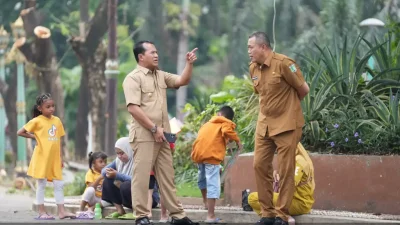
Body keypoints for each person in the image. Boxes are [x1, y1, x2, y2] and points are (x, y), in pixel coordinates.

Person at [122, 40, 199, 225]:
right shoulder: (133, 78)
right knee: (141, 177)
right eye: (152, 52)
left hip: (162, 135)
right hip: (144, 136)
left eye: (157, 52)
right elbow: (133, 108)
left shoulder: (161, 75)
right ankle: (141, 216)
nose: (156, 55)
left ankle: (177, 216)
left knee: (167, 176)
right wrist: (154, 128)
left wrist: (189, 64)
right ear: (141, 57)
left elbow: (182, 80)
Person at [247, 31, 310, 225]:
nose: (248, 51)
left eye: (251, 47)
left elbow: (303, 89)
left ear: (263, 47)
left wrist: (288, 109)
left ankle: (282, 214)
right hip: (264, 125)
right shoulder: (253, 69)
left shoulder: (284, 64)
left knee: (285, 169)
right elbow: (262, 95)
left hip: (287, 125)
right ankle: (267, 214)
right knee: (259, 165)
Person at [17, 93, 76, 220]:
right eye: (48, 107)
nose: (51, 109)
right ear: (40, 108)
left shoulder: (57, 121)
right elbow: (20, 132)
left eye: (53, 106)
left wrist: (61, 158)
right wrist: (33, 136)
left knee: (59, 184)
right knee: (42, 184)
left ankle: (61, 212)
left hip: (54, 159)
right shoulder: (36, 121)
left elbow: (58, 141)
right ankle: (41, 212)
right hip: (41, 158)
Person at [191, 106, 242, 223]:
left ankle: (205, 203)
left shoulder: (207, 124)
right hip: (211, 157)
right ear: (229, 118)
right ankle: (211, 215)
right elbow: (226, 131)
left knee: (202, 179)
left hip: (199, 155)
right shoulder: (226, 123)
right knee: (213, 184)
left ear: (218, 113)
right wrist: (238, 141)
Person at [248, 143, 315, 220]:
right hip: (290, 200)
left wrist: (278, 179)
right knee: (260, 199)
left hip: (298, 203)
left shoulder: (299, 160)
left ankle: (281, 216)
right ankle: (277, 216)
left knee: (252, 198)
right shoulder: (292, 159)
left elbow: (290, 183)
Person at [100, 137, 159, 220]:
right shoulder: (118, 160)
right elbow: (103, 171)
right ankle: (120, 210)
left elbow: (139, 181)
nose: (119, 156)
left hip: (148, 198)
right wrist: (109, 171)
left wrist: (118, 175)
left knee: (126, 185)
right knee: (107, 180)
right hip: (130, 195)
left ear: (129, 150)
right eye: (117, 153)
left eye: (122, 153)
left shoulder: (138, 160)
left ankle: (136, 211)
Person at [76, 151, 109, 219]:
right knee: (90, 190)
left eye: (105, 162)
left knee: (110, 200)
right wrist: (99, 178)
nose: (103, 164)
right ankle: (81, 210)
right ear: (93, 163)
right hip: (93, 198)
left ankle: (91, 208)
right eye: (101, 162)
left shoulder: (107, 172)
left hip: (101, 199)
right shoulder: (90, 173)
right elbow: (91, 187)